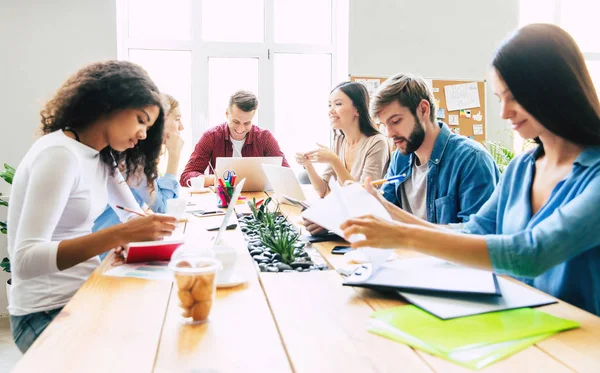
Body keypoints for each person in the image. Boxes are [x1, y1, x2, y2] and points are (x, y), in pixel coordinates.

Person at [341, 24, 600, 316]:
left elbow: (532, 252)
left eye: (515, 96)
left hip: (582, 345)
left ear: (554, 89)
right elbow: (473, 232)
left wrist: (402, 234)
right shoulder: (521, 169)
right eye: (500, 98)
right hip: (520, 325)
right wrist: (389, 215)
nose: (503, 113)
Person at [7, 61, 178, 353]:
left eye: (148, 127)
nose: (143, 135)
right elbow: (24, 260)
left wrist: (144, 233)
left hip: (84, 292)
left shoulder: (100, 157)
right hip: (45, 311)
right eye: (140, 120)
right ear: (110, 103)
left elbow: (136, 215)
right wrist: (120, 236)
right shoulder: (60, 155)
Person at [373, 73, 499, 225]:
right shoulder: (401, 158)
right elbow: (384, 214)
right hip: (404, 249)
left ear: (423, 110)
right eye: (383, 125)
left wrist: (399, 221)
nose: (389, 133)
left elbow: (476, 237)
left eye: (396, 121)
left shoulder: (472, 159)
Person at [298, 81, 390, 236]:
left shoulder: (377, 142)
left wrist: (334, 161)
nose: (331, 111)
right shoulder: (339, 141)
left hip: (365, 227)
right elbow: (323, 191)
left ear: (357, 110)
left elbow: (363, 197)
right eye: (329, 105)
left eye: (338, 104)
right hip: (345, 219)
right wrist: (308, 165)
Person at [93, 93, 185, 233]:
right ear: (161, 121)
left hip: (120, 239)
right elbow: (164, 208)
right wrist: (174, 157)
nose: (181, 127)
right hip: (106, 246)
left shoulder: (141, 155)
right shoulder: (131, 158)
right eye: (177, 119)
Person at [180, 90, 289, 187]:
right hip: (222, 202)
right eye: (236, 121)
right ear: (227, 114)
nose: (240, 129)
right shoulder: (211, 137)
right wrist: (217, 179)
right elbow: (186, 176)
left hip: (257, 201)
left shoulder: (265, 138)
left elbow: (287, 175)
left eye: (247, 123)